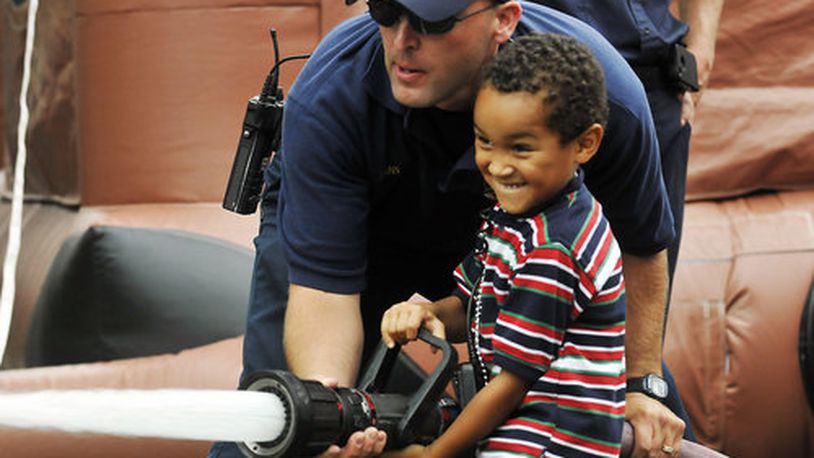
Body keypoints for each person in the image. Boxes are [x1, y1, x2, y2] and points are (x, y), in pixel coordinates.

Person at [209, 1, 678, 456]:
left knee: (651, 426)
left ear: (503, 20)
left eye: (432, 24)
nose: (401, 40)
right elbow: (325, 295)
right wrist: (329, 419)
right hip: (360, 228)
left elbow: (639, 248)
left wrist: (641, 386)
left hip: (511, 237)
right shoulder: (331, 94)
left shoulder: (597, 96)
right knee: (279, 424)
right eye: (385, 12)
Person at [379, 32, 626, 457]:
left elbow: (512, 384)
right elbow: (472, 303)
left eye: (521, 148)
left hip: (549, 442)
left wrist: (434, 455)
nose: (497, 164)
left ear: (585, 144)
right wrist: (425, 312)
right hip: (512, 426)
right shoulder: (518, 220)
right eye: (484, 141)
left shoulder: (555, 249)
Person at [529, 0, 726, 450]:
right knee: (564, 320)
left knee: (626, 329)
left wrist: (701, 48)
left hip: (649, 79)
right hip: (530, 91)